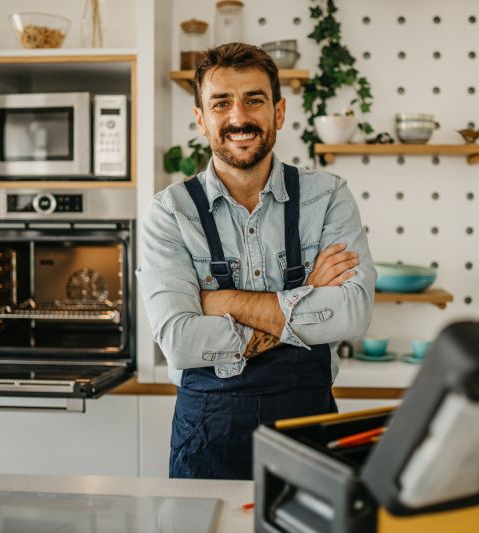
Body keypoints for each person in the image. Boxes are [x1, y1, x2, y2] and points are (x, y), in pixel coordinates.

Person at [136, 42, 376, 480]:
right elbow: (179, 340)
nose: (238, 117)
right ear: (201, 118)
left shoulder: (328, 196)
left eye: (254, 100)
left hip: (310, 431)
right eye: (221, 103)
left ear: (279, 113)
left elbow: (353, 314)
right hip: (207, 438)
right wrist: (308, 301)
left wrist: (220, 301)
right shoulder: (169, 212)